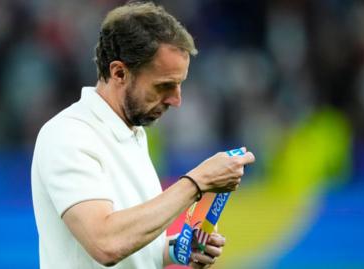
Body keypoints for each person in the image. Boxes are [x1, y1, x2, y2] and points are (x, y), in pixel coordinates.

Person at [31, 2, 255, 268]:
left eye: (179, 84)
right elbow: (105, 243)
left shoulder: (133, 134)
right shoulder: (68, 135)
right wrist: (197, 182)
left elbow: (130, 246)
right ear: (119, 73)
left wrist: (176, 250)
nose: (176, 99)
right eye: (164, 86)